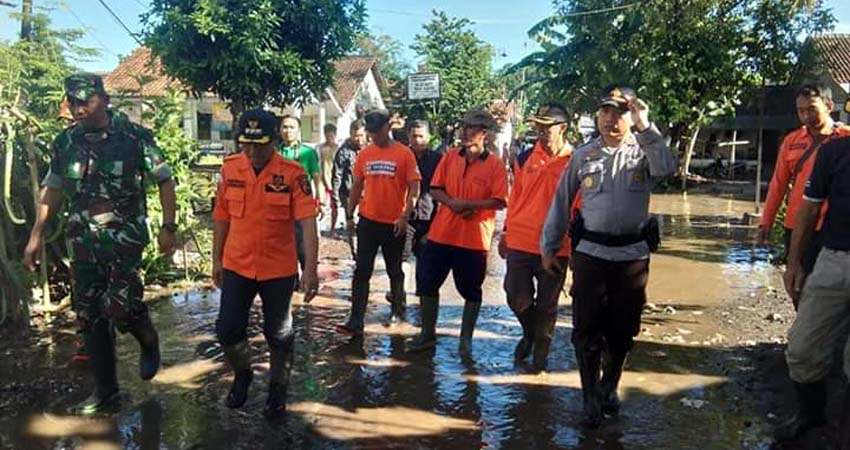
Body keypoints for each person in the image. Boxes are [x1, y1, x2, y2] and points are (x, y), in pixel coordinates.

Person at [23, 73, 177, 413]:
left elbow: (165, 180)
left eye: (86, 102)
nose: (79, 110)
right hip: (83, 239)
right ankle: (106, 393)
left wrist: (169, 226)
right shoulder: (65, 143)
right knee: (90, 315)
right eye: (74, 103)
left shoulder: (135, 137)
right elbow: (53, 188)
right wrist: (36, 235)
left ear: (104, 99)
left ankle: (148, 341)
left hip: (124, 236)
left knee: (121, 307)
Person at [541, 84, 676, 428]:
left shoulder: (644, 151)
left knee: (624, 328)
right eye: (605, 111)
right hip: (591, 255)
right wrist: (549, 246)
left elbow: (667, 170)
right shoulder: (584, 155)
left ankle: (610, 385)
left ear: (632, 116)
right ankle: (589, 398)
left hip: (631, 256)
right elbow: (560, 201)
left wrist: (645, 127)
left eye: (620, 112)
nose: (611, 119)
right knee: (586, 327)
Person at [212, 108, 319, 420]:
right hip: (237, 264)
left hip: (278, 268)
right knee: (228, 328)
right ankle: (243, 373)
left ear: (274, 140)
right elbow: (222, 216)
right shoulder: (230, 168)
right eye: (246, 143)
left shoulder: (293, 173)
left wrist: (310, 268)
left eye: (260, 144)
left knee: (279, 333)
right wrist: (216, 259)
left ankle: (277, 389)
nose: (253, 151)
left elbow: (308, 223)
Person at [405, 109, 508, 354]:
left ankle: (466, 339)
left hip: (474, 239)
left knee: (471, 290)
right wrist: (454, 204)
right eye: (464, 126)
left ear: (484, 133)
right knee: (428, 283)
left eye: (472, 127)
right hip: (442, 234)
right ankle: (427, 334)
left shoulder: (494, 165)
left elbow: (500, 200)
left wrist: (470, 205)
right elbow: (435, 188)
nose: (466, 131)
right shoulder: (450, 157)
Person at [777, 134, 850, 446]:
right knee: (802, 348)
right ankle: (810, 415)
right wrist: (794, 263)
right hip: (834, 259)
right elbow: (808, 209)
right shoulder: (835, 152)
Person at [499, 103, 574, 372]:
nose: (541, 132)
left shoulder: (575, 162)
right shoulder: (525, 158)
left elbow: (579, 208)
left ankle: (540, 361)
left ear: (562, 128)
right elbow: (515, 197)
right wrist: (505, 232)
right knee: (514, 296)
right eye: (538, 126)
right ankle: (529, 332)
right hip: (520, 240)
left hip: (556, 247)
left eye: (547, 127)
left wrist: (576, 251)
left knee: (547, 307)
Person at [759, 84, 850, 306]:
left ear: (829, 106)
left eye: (811, 109)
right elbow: (778, 184)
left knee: (831, 287)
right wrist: (766, 222)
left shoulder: (844, 139)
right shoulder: (792, 141)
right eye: (800, 111)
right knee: (796, 283)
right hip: (797, 225)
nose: (806, 116)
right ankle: (805, 331)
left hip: (833, 228)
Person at [339, 109, 421, 335]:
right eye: (371, 132)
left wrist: (405, 216)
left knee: (394, 269)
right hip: (368, 221)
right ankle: (355, 320)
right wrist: (349, 215)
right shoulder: (365, 154)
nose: (374, 136)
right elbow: (356, 185)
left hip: (394, 223)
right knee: (362, 271)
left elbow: (415, 189)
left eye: (377, 131)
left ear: (388, 126)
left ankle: (396, 309)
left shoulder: (404, 154)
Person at [278, 115, 321, 279]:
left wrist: (319, 201)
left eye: (291, 127)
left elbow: (317, 178)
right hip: (280, 206)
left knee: (303, 244)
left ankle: (308, 276)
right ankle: (290, 280)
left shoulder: (308, 153)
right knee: (286, 245)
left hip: (302, 205)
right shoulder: (276, 152)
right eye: (285, 127)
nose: (288, 131)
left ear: (298, 130)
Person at [402, 120, 442, 297]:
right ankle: (399, 294)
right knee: (402, 257)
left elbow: (442, 190)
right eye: (413, 136)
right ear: (408, 136)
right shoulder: (402, 156)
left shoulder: (438, 160)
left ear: (428, 137)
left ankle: (421, 297)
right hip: (405, 215)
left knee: (424, 259)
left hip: (429, 217)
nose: (417, 140)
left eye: (421, 136)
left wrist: (439, 219)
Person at [331, 121, 368, 234]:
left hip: (368, 195)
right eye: (355, 136)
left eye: (361, 135)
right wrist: (336, 196)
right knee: (351, 226)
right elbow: (337, 175)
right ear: (350, 134)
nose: (359, 139)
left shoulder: (372, 150)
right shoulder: (343, 152)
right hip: (349, 194)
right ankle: (355, 249)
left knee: (366, 226)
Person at [318, 123, 338, 229]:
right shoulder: (320, 148)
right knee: (321, 203)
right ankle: (320, 226)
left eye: (331, 136)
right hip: (322, 179)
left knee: (334, 206)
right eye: (327, 135)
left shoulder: (338, 149)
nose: (329, 138)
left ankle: (333, 228)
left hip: (334, 180)